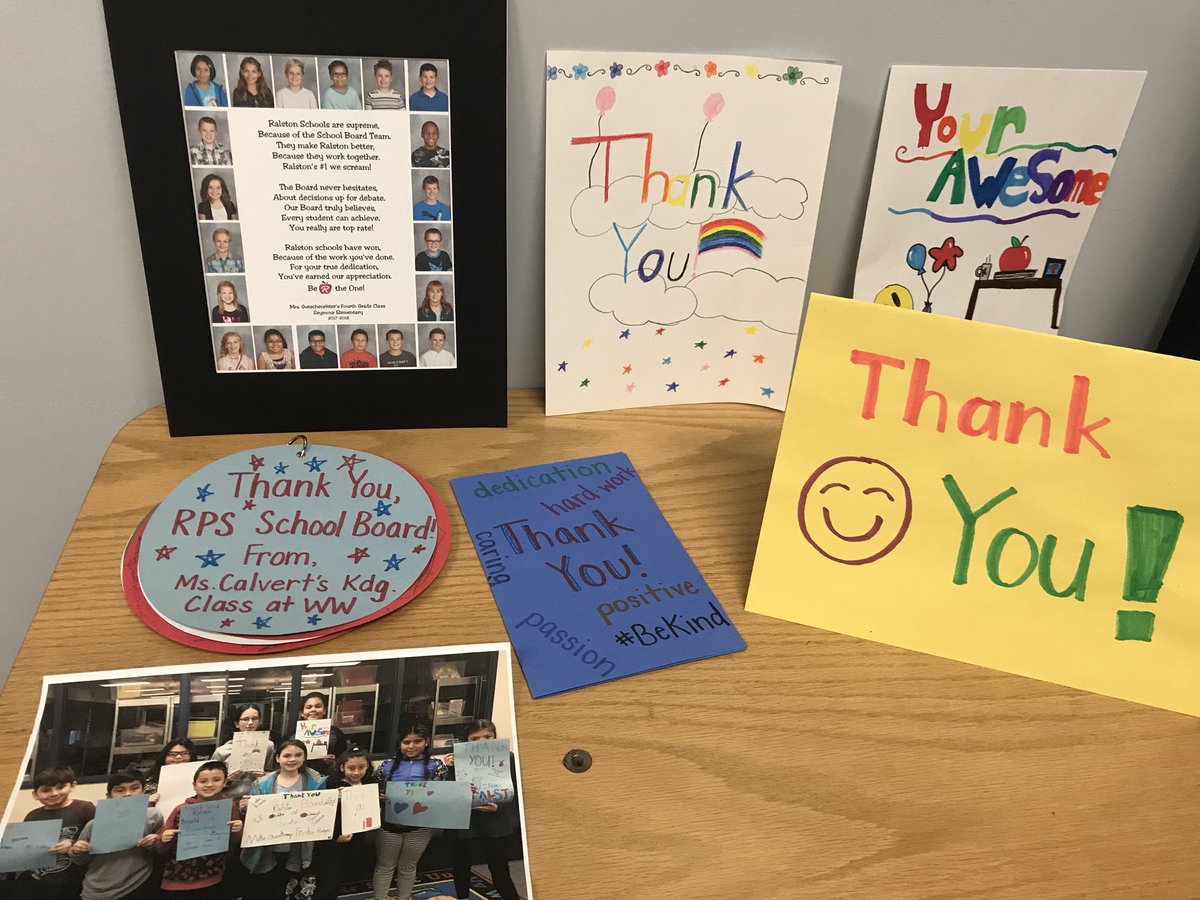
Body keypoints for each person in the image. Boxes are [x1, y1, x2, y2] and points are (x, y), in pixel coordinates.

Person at [239, 740, 327, 899]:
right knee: (266, 889)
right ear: (278, 758)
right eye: (287, 755)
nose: (292, 759)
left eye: (298, 755)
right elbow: (252, 818)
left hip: (298, 847)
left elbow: (322, 813)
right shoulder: (262, 783)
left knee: (290, 889)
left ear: (304, 758)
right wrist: (246, 808)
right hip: (268, 847)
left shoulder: (316, 782)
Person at [443, 720, 520, 900]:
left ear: (494, 736)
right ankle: (462, 896)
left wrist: (498, 806)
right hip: (466, 820)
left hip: (496, 820)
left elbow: (516, 790)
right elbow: (447, 793)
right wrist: (450, 770)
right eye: (475, 738)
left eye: (487, 737)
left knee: (499, 867)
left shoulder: (507, 757)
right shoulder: (457, 759)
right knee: (462, 864)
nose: (481, 742)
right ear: (466, 740)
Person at [373, 725, 446, 900]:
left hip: (419, 827)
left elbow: (442, 794)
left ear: (426, 742)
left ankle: (404, 897)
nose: (411, 746)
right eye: (406, 742)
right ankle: (380, 898)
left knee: (408, 866)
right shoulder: (387, 765)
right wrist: (379, 796)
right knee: (385, 866)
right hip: (389, 825)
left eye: (417, 741)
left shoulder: (436, 766)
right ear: (399, 744)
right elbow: (374, 789)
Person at [69, 770, 164, 900]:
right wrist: (77, 850)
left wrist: (155, 842)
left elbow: (160, 851)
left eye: (134, 788)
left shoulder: (153, 816)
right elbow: (80, 860)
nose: (128, 794)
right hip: (96, 889)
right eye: (120, 790)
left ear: (143, 791)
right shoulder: (94, 823)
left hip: (137, 885)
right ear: (109, 796)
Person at [158, 761, 242, 897]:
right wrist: (164, 838)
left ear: (225, 782)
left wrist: (237, 829)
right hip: (177, 878)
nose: (209, 785)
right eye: (203, 781)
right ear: (194, 785)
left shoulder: (229, 807)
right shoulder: (181, 809)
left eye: (216, 780)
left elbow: (234, 841)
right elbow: (160, 846)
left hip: (213, 876)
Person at [12, 766, 96, 898]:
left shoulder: (85, 808)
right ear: (35, 794)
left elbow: (100, 839)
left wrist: (73, 844)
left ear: (72, 786)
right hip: (38, 881)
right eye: (46, 790)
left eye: (60, 787)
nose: (54, 793)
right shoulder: (32, 816)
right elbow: (24, 846)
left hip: (73, 881)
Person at [311, 749, 376, 900]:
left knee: (342, 874)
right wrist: (335, 837)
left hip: (357, 836)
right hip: (333, 840)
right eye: (351, 768)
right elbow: (321, 816)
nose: (356, 772)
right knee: (327, 878)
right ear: (342, 767)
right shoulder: (332, 785)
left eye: (361, 767)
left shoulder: (369, 783)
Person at [209, 703, 276, 801]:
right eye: (245, 719)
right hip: (229, 799)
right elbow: (210, 778)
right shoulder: (222, 751)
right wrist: (228, 779)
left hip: (257, 798)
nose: (250, 723)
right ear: (237, 723)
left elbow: (272, 773)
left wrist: (264, 775)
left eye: (254, 718)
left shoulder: (268, 746)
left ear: (259, 721)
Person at [296, 692, 349, 777]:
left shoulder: (336, 733)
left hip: (328, 778)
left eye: (318, 706)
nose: (313, 710)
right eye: (308, 707)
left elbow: (345, 760)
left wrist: (333, 762)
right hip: (298, 778)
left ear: (324, 710)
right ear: (302, 712)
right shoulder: (292, 735)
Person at [145, 739, 200, 806]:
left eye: (184, 754)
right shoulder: (150, 780)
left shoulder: (201, 778)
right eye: (172, 754)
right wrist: (147, 802)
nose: (178, 757)